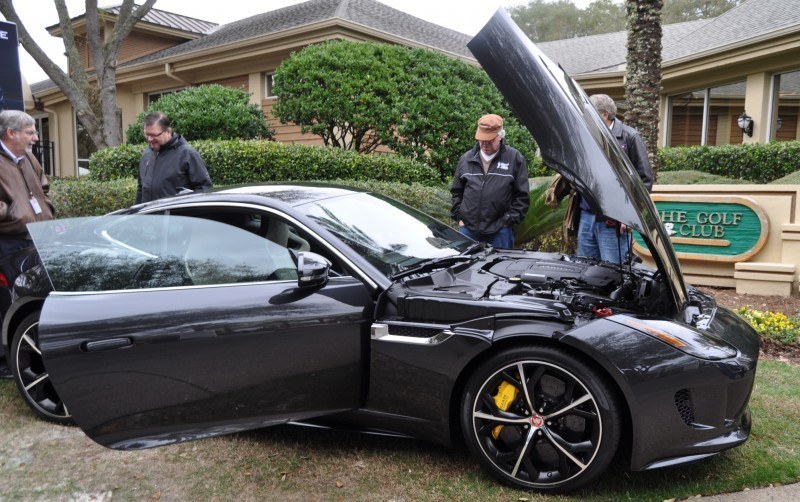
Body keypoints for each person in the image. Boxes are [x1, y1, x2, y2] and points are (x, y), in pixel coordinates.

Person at [0, 110, 56, 378]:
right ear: (11, 133)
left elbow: (43, 188)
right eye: (30, 132)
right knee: (9, 299)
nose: (35, 137)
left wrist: (46, 209)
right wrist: (15, 213)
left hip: (36, 236)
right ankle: (7, 362)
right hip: (7, 241)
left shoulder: (28, 157)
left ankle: (34, 355)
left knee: (35, 294)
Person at [576, 94, 653, 263]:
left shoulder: (630, 137)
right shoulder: (587, 136)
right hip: (587, 216)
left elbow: (644, 181)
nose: (585, 117)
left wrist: (630, 216)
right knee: (584, 271)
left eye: (589, 113)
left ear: (604, 114)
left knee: (613, 274)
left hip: (614, 219)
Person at [451, 113, 529, 248]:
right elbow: (456, 191)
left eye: (489, 140)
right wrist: (460, 216)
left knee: (499, 269)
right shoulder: (466, 159)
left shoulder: (514, 158)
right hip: (468, 229)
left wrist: (508, 220)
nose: (485, 144)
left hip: (500, 231)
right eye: (482, 140)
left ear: (500, 136)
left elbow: (522, 196)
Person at [136, 112, 212, 204]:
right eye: (147, 135)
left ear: (168, 131)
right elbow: (141, 190)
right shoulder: (146, 155)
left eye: (153, 135)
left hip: (176, 217)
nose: (149, 139)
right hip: (149, 216)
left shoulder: (187, 154)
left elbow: (204, 190)